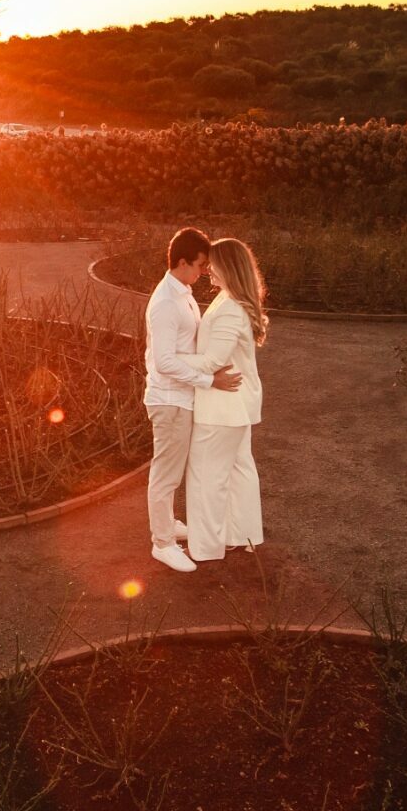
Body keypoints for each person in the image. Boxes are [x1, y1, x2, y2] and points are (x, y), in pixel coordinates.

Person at [143, 227, 242, 573]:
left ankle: (167, 525)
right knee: (166, 473)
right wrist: (209, 380)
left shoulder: (181, 290)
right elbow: (163, 361)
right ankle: (162, 543)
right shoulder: (166, 303)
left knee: (171, 470)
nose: (203, 273)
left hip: (180, 397)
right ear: (182, 262)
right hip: (169, 399)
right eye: (200, 266)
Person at [186, 235, 267, 561]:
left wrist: (170, 359)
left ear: (229, 268)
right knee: (238, 471)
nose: (208, 272)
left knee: (206, 475)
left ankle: (205, 548)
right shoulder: (230, 300)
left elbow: (211, 362)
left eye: (213, 266)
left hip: (221, 408)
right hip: (235, 408)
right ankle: (240, 535)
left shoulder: (231, 310)